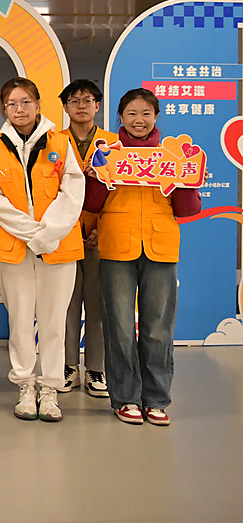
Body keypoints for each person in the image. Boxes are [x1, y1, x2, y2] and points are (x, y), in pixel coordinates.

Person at [84, 88, 199, 426]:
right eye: (132, 113)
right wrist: (96, 177)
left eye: (146, 113)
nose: (139, 120)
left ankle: (157, 399)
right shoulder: (106, 153)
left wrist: (187, 180)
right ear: (120, 117)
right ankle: (125, 398)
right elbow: (91, 204)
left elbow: (188, 209)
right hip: (116, 246)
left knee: (158, 328)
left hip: (161, 246)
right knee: (119, 327)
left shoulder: (172, 156)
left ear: (156, 117)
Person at [0, 77, 85, 422]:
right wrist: (32, 234)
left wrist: (48, 234)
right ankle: (25, 385)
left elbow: (72, 193)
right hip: (15, 249)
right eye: (12, 104)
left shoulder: (62, 144)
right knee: (20, 321)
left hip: (58, 247)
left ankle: (50, 389)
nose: (19, 109)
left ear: (38, 105)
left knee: (54, 323)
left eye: (26, 102)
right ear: (4, 109)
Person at [58, 79, 118, 398]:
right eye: (74, 100)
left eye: (87, 100)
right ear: (65, 107)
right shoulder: (54, 143)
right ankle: (68, 366)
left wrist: (102, 228)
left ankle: (96, 368)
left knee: (97, 306)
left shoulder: (114, 144)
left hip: (100, 236)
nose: (81, 105)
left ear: (97, 105)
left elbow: (121, 191)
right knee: (66, 305)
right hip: (63, 236)